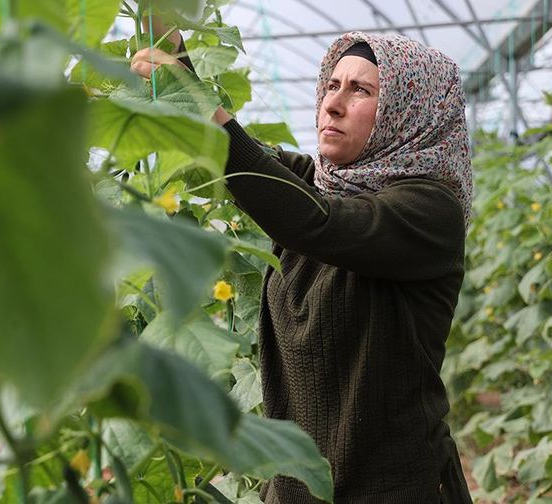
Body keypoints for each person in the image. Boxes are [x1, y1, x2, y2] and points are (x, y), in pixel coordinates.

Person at [130, 20, 475, 504]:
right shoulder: (318, 185)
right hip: (295, 489)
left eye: (360, 90)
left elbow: (315, 222)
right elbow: (252, 166)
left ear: (407, 111)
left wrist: (205, 112)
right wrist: (176, 58)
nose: (332, 103)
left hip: (394, 488)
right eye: (331, 85)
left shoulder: (431, 211)